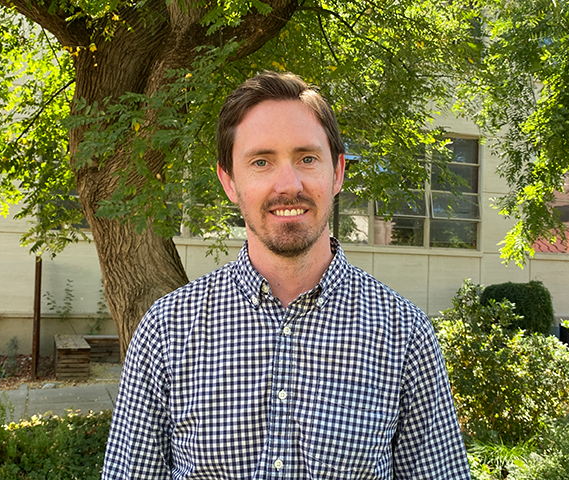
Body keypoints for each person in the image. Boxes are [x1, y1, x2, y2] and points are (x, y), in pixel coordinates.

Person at [102, 71, 471, 479]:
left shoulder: (403, 334)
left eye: (307, 158)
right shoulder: (167, 330)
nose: (288, 184)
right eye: (261, 162)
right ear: (229, 181)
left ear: (338, 172)